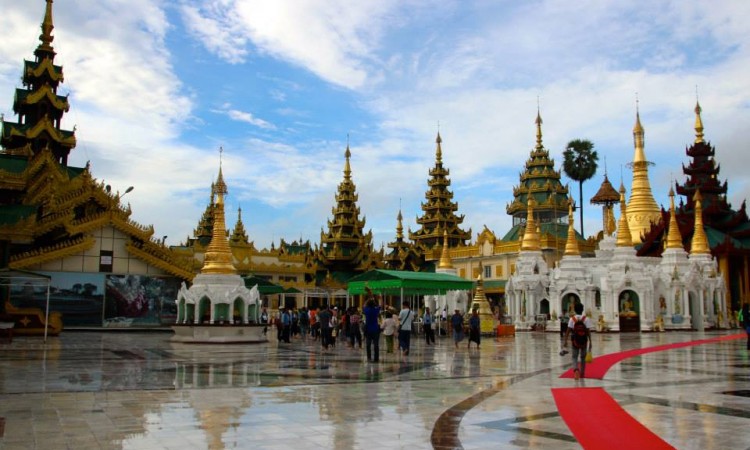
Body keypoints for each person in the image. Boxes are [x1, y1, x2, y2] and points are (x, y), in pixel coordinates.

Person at [563, 302, 593, 379]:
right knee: (583, 357)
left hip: (575, 340)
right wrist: (590, 342)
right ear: (582, 310)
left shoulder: (572, 319)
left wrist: (565, 340)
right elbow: (588, 331)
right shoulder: (586, 319)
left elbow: (568, 330)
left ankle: (576, 370)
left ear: (575, 310)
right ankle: (582, 374)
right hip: (584, 340)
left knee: (574, 357)